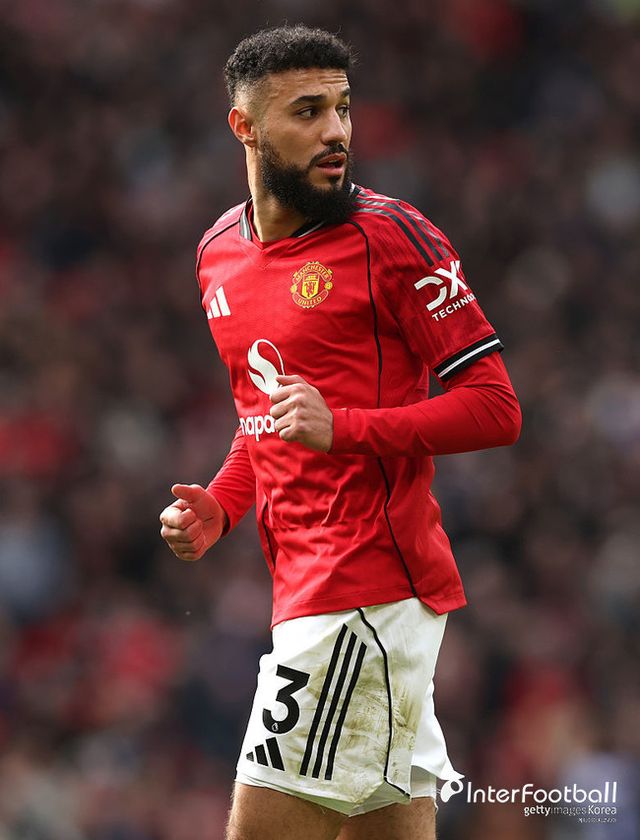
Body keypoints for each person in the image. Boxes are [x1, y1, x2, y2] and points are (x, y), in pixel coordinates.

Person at [159, 24, 521, 840]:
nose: (336, 131)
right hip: (310, 593)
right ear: (245, 127)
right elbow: (264, 419)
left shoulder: (392, 238)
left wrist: (346, 427)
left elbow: (497, 407)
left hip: (364, 593)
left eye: (343, 109)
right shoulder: (218, 254)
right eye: (308, 111)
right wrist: (222, 504)